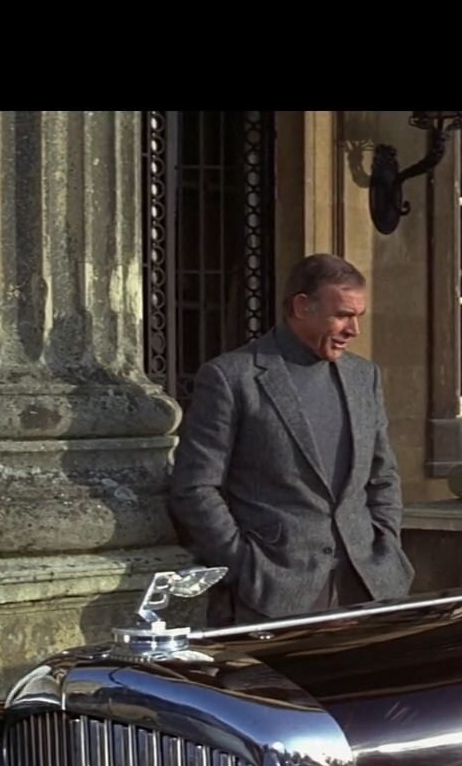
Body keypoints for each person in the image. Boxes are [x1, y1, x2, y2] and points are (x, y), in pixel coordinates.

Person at [168, 253, 414, 625]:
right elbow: (195, 487)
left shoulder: (365, 377)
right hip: (273, 594)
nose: (354, 330)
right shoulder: (230, 377)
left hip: (370, 586)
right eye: (342, 315)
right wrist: (243, 564)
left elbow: (383, 477)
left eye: (358, 316)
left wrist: (386, 542)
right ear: (301, 307)